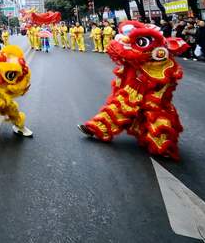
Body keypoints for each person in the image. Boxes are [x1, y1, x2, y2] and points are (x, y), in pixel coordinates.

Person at [78, 21, 189, 160]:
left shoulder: (164, 63)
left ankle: (163, 147)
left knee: (157, 119)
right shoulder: (134, 60)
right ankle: (96, 129)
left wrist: (155, 95)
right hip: (134, 90)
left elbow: (167, 82)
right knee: (117, 108)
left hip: (154, 96)